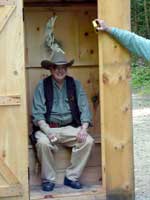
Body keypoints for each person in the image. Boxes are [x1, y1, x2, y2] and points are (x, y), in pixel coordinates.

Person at [32, 51, 94, 192]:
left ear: (67, 69)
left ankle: (71, 177)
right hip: (47, 128)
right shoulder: (42, 85)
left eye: (64, 67)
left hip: (69, 127)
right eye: (57, 67)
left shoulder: (75, 84)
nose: (60, 71)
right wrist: (48, 132)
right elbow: (38, 115)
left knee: (88, 141)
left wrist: (83, 129)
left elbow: (85, 108)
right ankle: (48, 179)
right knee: (42, 143)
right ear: (51, 69)